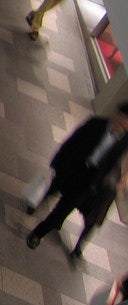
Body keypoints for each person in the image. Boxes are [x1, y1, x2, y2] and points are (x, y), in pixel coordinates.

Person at [26, 104, 128, 258]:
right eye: (124, 120)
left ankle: (37, 234)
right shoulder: (96, 124)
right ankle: (36, 202)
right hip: (72, 167)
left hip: (89, 180)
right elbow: (71, 142)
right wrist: (56, 163)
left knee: (63, 210)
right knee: (52, 189)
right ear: (118, 115)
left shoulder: (123, 141)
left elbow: (113, 162)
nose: (124, 125)